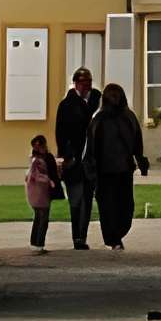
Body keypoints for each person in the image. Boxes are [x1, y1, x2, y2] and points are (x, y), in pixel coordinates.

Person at [86, 79, 150, 248]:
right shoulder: (99, 120)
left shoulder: (128, 118)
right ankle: (113, 238)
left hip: (123, 169)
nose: (114, 99)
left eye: (117, 95)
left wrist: (141, 161)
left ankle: (116, 234)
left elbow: (137, 142)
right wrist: (92, 170)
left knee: (125, 206)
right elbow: (92, 146)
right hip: (105, 171)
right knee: (108, 206)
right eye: (111, 96)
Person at [51, 66, 99, 251]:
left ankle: (81, 236)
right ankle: (77, 237)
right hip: (74, 160)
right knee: (76, 200)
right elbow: (61, 134)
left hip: (91, 160)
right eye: (83, 82)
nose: (87, 85)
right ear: (76, 83)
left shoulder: (97, 100)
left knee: (86, 199)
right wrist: (66, 156)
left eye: (88, 82)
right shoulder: (66, 105)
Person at [21, 134, 60, 251]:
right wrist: (49, 181)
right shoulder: (38, 160)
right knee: (42, 217)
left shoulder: (40, 158)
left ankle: (35, 242)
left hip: (39, 191)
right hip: (40, 191)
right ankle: (39, 244)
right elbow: (35, 175)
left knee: (39, 216)